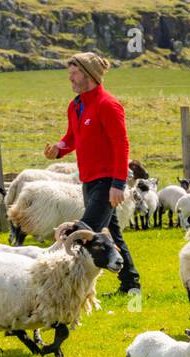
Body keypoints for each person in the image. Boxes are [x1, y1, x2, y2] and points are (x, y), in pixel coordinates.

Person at [44, 52, 141, 294]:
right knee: (112, 235)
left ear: (89, 75)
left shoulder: (108, 105)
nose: (70, 79)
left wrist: (118, 183)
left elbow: (122, 144)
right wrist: (59, 149)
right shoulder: (76, 105)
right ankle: (131, 284)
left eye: (75, 73)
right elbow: (72, 138)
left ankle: (64, 287)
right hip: (88, 180)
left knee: (80, 235)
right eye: (70, 73)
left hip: (107, 181)